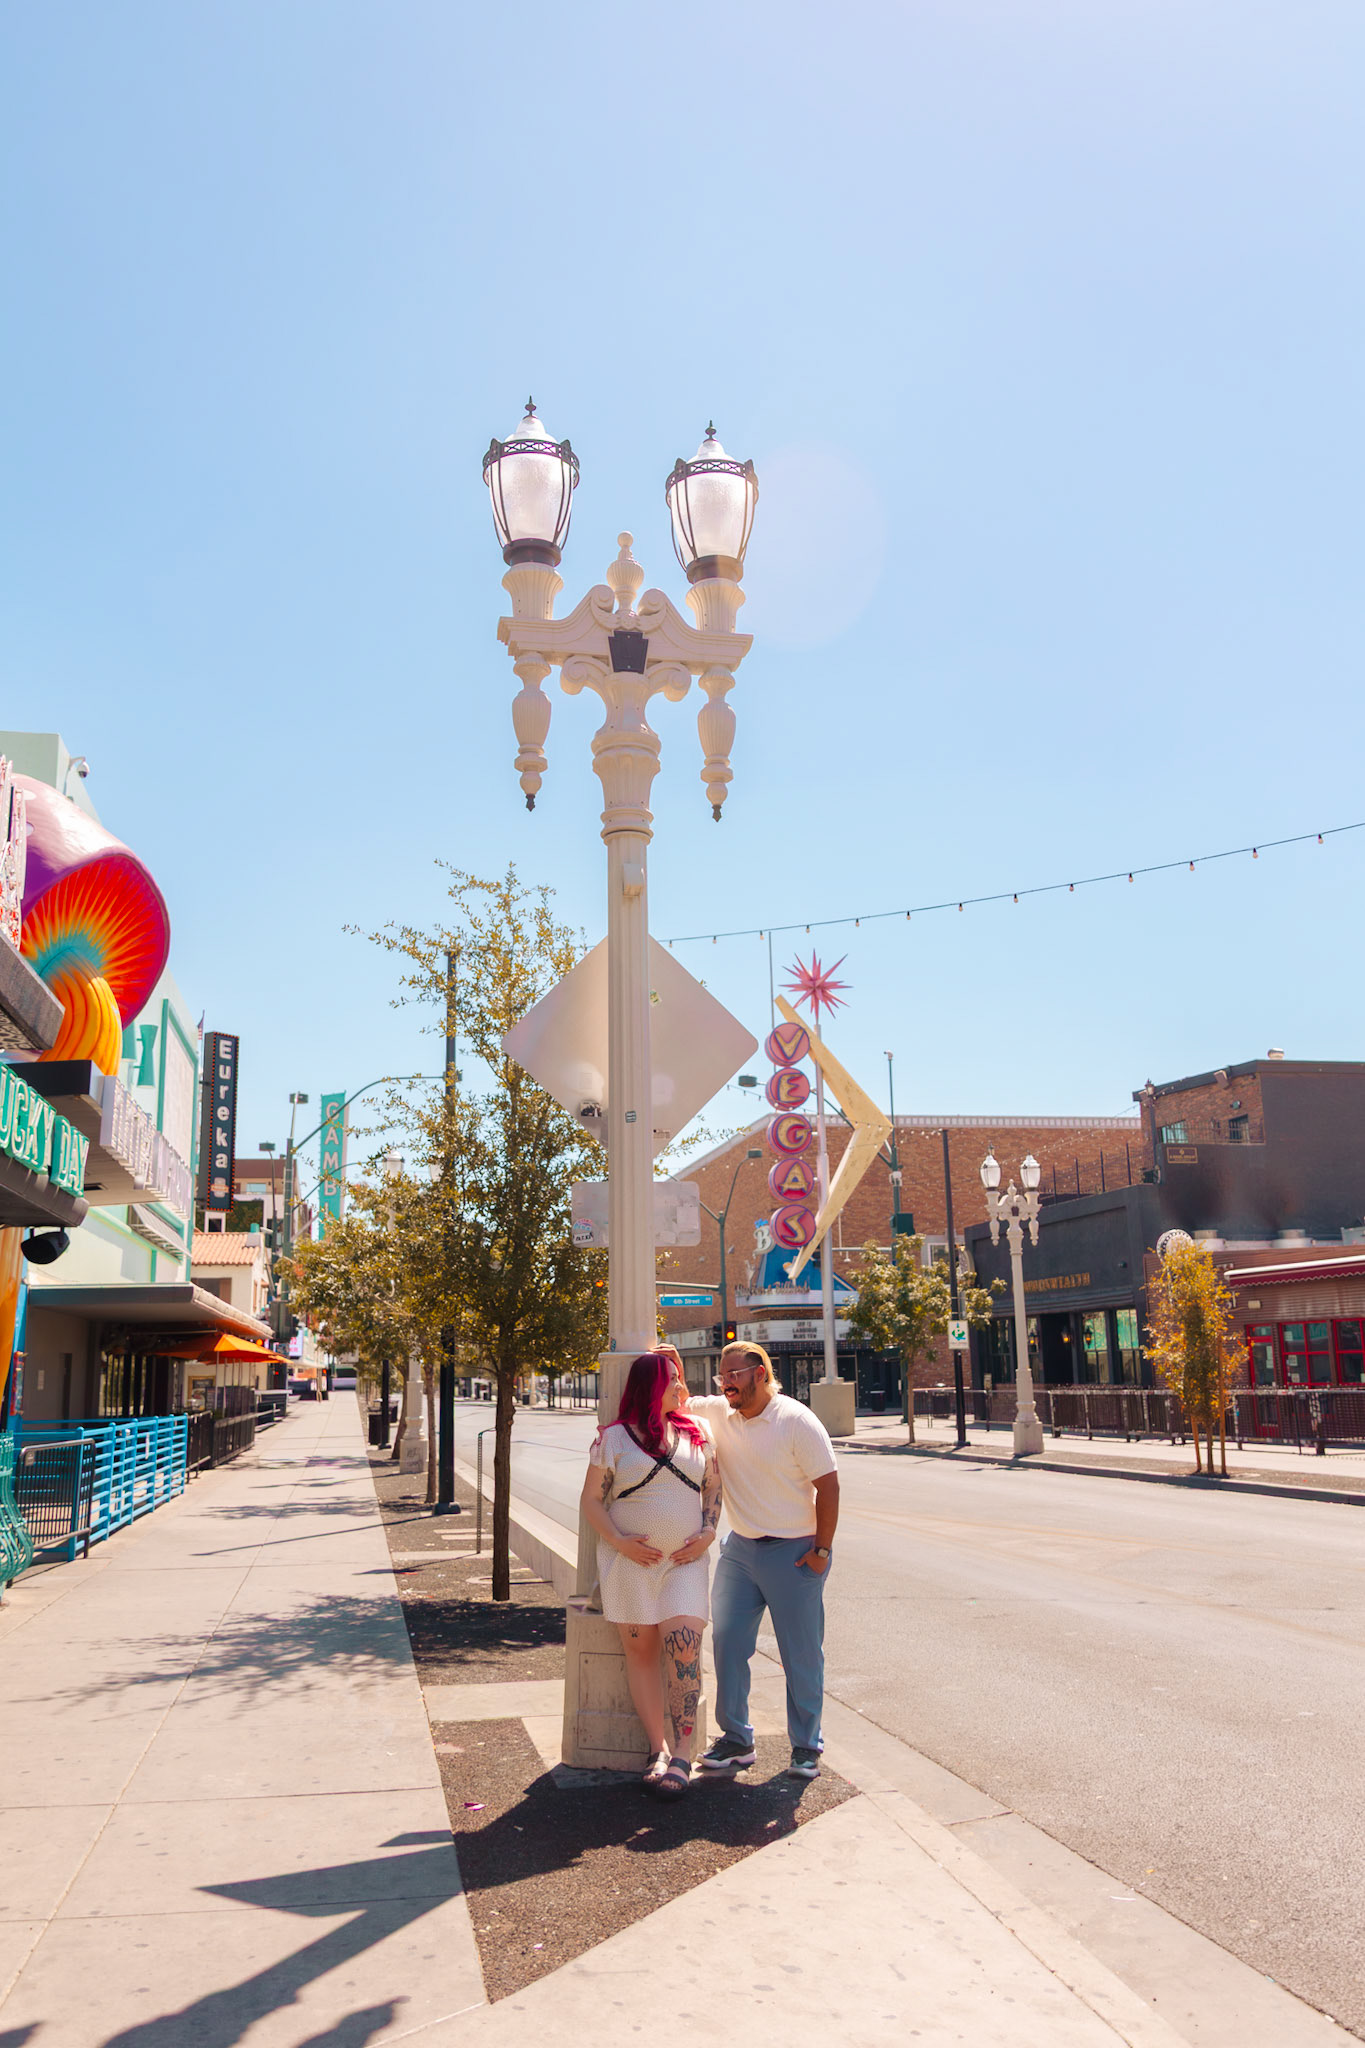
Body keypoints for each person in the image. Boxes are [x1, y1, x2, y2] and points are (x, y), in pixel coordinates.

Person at [679, 1340, 839, 1781]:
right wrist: (669, 1359)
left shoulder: (796, 1420)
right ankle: (736, 1739)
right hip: (742, 1550)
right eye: (722, 1375)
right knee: (727, 1641)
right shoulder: (720, 1412)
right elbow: (680, 1398)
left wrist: (821, 1552)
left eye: (734, 1374)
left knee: (801, 1655)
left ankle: (806, 1746)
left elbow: (829, 1487)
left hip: (795, 1552)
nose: (726, 1383)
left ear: (761, 1373)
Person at [579, 1350, 721, 1798]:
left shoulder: (697, 1432)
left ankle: (683, 1754)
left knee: (685, 1650)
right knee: (640, 1656)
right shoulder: (614, 1439)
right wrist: (620, 1542)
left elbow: (713, 1487)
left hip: (685, 1564)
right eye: (672, 1379)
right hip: (630, 1566)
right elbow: (591, 1501)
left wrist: (709, 1531)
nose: (681, 1386)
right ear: (650, 1387)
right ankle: (657, 1749)